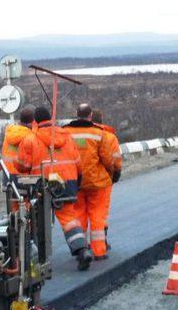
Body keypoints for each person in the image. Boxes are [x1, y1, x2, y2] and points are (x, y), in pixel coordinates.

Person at [17, 107, 91, 270]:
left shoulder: (30, 139)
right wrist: (77, 181)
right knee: (69, 219)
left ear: (35, 121)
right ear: (50, 118)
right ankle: (82, 250)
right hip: (67, 183)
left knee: (36, 221)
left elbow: (22, 166)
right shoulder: (67, 136)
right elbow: (78, 163)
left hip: (41, 185)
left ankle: (37, 259)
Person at [64, 104, 118, 261]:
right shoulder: (98, 133)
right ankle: (99, 251)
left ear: (76, 114)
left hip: (75, 182)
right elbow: (107, 159)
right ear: (90, 116)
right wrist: (112, 174)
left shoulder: (66, 132)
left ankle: (82, 248)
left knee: (79, 215)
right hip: (96, 183)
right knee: (97, 216)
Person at [91, 108, 122, 253]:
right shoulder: (109, 137)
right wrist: (115, 175)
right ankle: (101, 242)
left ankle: (80, 245)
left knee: (82, 212)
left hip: (83, 180)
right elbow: (115, 160)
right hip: (104, 180)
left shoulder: (81, 135)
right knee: (101, 211)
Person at [0, 107, 35, 176]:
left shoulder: (10, 133)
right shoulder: (29, 136)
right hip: (22, 177)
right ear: (31, 123)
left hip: (6, 174)